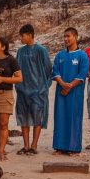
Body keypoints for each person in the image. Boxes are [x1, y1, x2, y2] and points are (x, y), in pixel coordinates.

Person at [15, 24, 53, 155]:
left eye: (23, 35)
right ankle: (25, 146)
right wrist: (18, 86)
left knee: (38, 118)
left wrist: (44, 87)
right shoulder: (20, 51)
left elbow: (49, 69)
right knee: (23, 118)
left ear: (30, 35)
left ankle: (34, 145)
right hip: (22, 90)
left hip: (38, 90)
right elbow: (16, 69)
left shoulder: (41, 50)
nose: (21, 38)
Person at [52, 28, 90, 155]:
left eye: (68, 36)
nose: (66, 39)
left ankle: (73, 147)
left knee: (74, 118)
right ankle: (60, 147)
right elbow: (55, 72)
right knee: (60, 117)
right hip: (61, 93)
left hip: (75, 94)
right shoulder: (60, 55)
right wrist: (63, 84)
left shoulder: (82, 56)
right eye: (64, 37)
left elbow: (82, 74)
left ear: (76, 37)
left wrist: (69, 86)